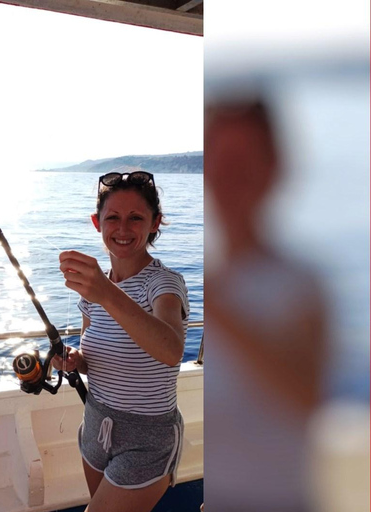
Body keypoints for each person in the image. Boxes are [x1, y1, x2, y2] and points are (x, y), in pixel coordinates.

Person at [204, 99, 326, 512]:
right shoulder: (208, 277)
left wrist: (220, 305)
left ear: (274, 169)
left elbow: (308, 397)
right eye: (218, 161)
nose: (228, 179)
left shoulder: (300, 282)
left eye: (244, 162)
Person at [53, 169, 189, 512]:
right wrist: (74, 359)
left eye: (136, 218)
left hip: (147, 439)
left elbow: (171, 350)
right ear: (97, 223)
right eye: (112, 217)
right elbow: (91, 351)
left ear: (155, 222)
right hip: (96, 425)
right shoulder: (92, 291)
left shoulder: (164, 284)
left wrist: (107, 294)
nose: (123, 229)